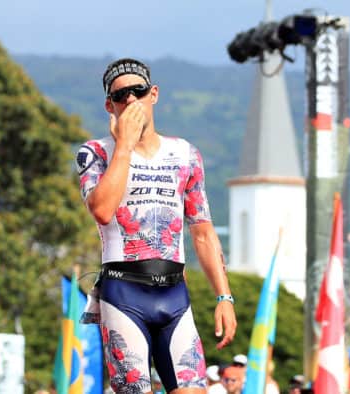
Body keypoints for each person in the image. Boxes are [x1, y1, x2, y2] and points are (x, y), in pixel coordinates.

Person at [75, 57, 237, 393]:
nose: (131, 100)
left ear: (154, 94)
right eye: (121, 96)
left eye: (138, 91)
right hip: (124, 293)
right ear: (110, 105)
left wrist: (224, 296)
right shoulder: (95, 153)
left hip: (174, 293)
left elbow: (203, 232)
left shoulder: (186, 154)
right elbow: (102, 210)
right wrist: (124, 144)